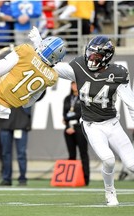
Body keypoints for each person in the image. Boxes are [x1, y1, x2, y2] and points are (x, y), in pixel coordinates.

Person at [53, 35, 134, 206]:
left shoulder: (118, 73)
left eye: (96, 56)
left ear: (106, 57)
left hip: (112, 123)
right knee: (108, 159)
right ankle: (110, 192)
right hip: (91, 125)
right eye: (90, 53)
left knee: (132, 164)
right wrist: (41, 49)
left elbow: (131, 104)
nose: (91, 58)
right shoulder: (79, 66)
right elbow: (54, 67)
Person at [62, 81, 90, 186]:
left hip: (79, 128)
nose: (74, 86)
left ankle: (86, 179)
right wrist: (69, 125)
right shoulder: (67, 99)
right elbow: (64, 115)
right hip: (68, 129)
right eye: (72, 84)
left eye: (76, 84)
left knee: (83, 153)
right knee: (71, 154)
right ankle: (70, 178)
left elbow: (81, 114)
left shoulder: (83, 98)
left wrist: (71, 118)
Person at [0, 106, 32, 186]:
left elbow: (39, 95)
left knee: (21, 154)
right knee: (6, 153)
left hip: (21, 122)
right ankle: (6, 178)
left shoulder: (26, 93)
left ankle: (22, 179)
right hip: (5, 122)